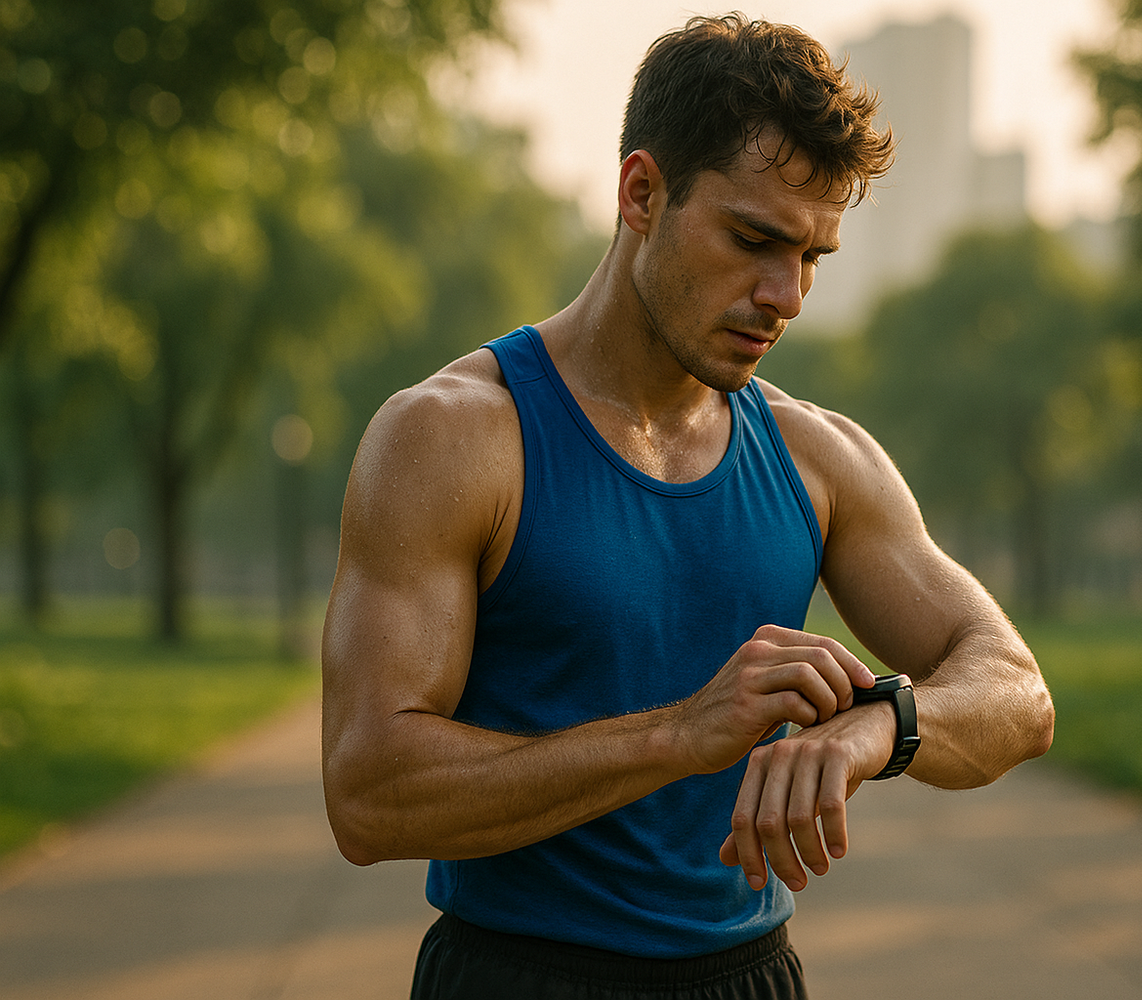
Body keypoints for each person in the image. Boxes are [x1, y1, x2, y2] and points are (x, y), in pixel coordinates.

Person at [321, 13, 1054, 999]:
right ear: (640, 192)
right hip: (516, 975)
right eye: (754, 239)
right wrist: (677, 734)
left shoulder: (815, 456)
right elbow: (369, 794)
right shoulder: (455, 436)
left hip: (749, 978)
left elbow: (1017, 693)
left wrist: (875, 725)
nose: (785, 294)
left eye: (813, 256)